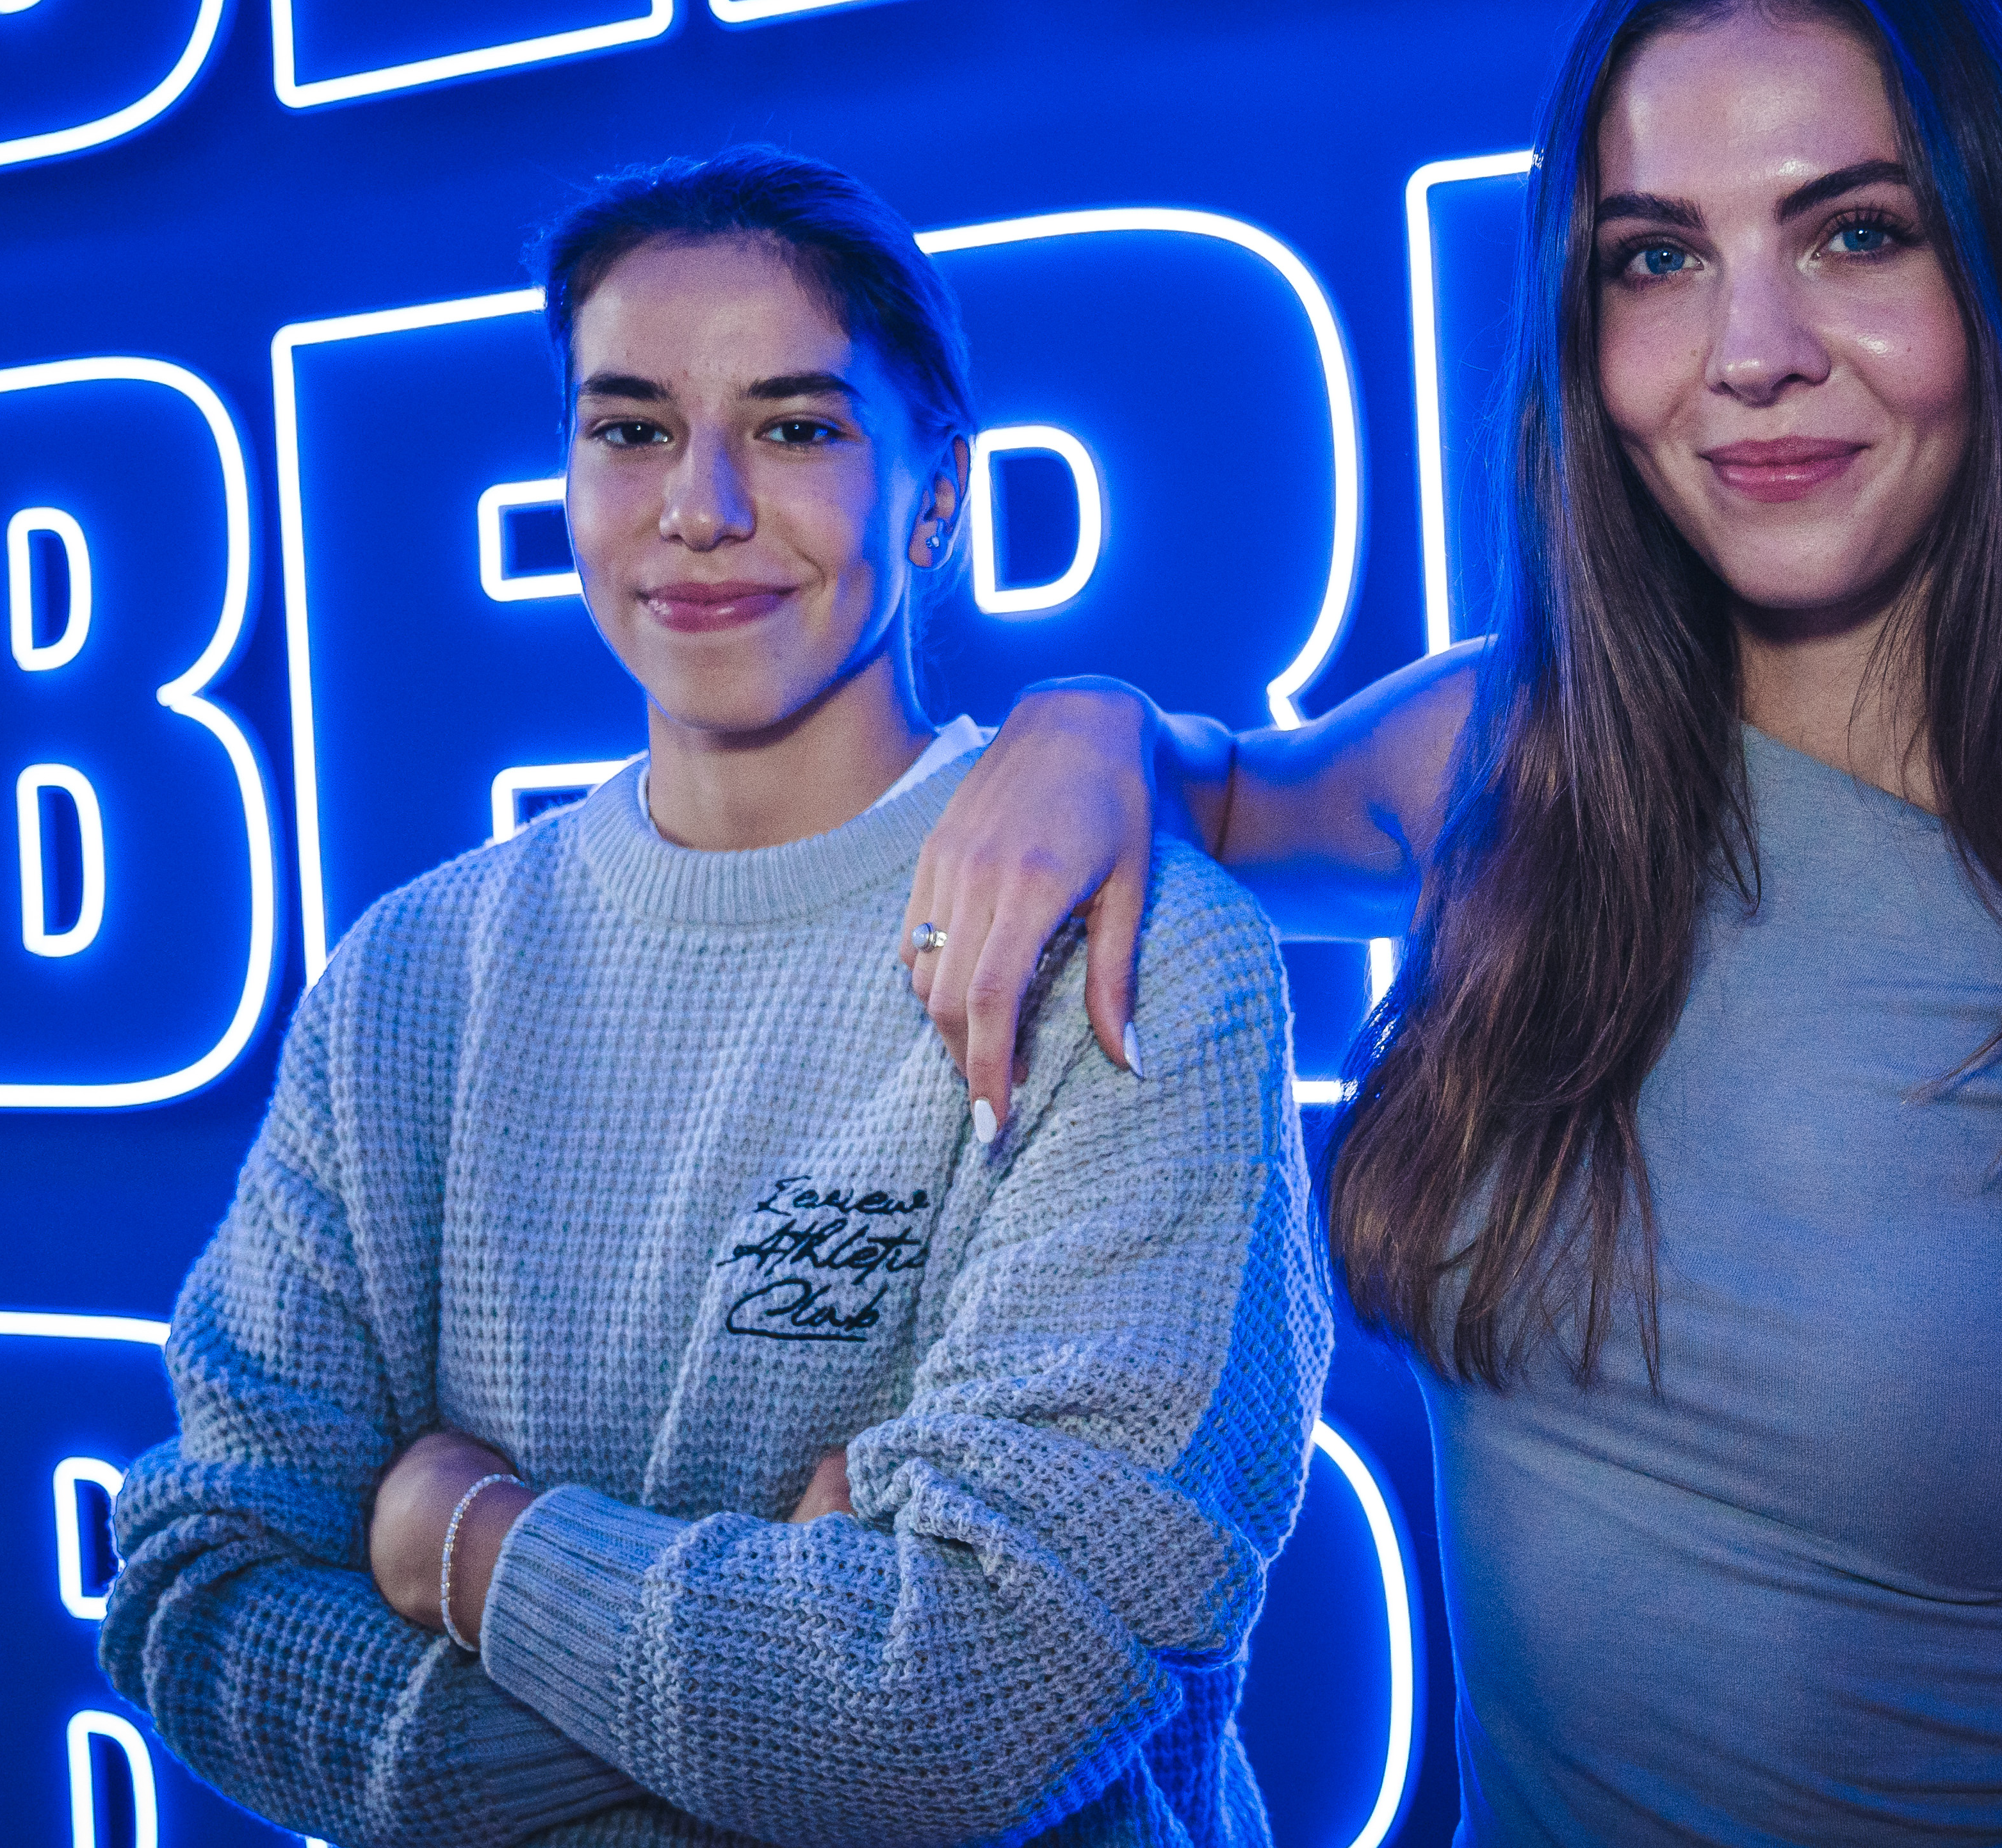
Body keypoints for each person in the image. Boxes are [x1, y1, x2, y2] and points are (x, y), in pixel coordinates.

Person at [895, 0, 2002, 1846]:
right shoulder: (1510, 753)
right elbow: (1211, 787)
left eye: (1855, 233)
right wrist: (1089, 727)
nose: (1750, 351)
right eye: (1657, 259)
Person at [102, 146, 1330, 1848]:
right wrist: (763, 1701)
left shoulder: (1134, 951)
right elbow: (195, 1597)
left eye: (797, 426)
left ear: (939, 493)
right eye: (630, 429)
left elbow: (972, 1704)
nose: (702, 508)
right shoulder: (406, 984)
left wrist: (467, 1541)